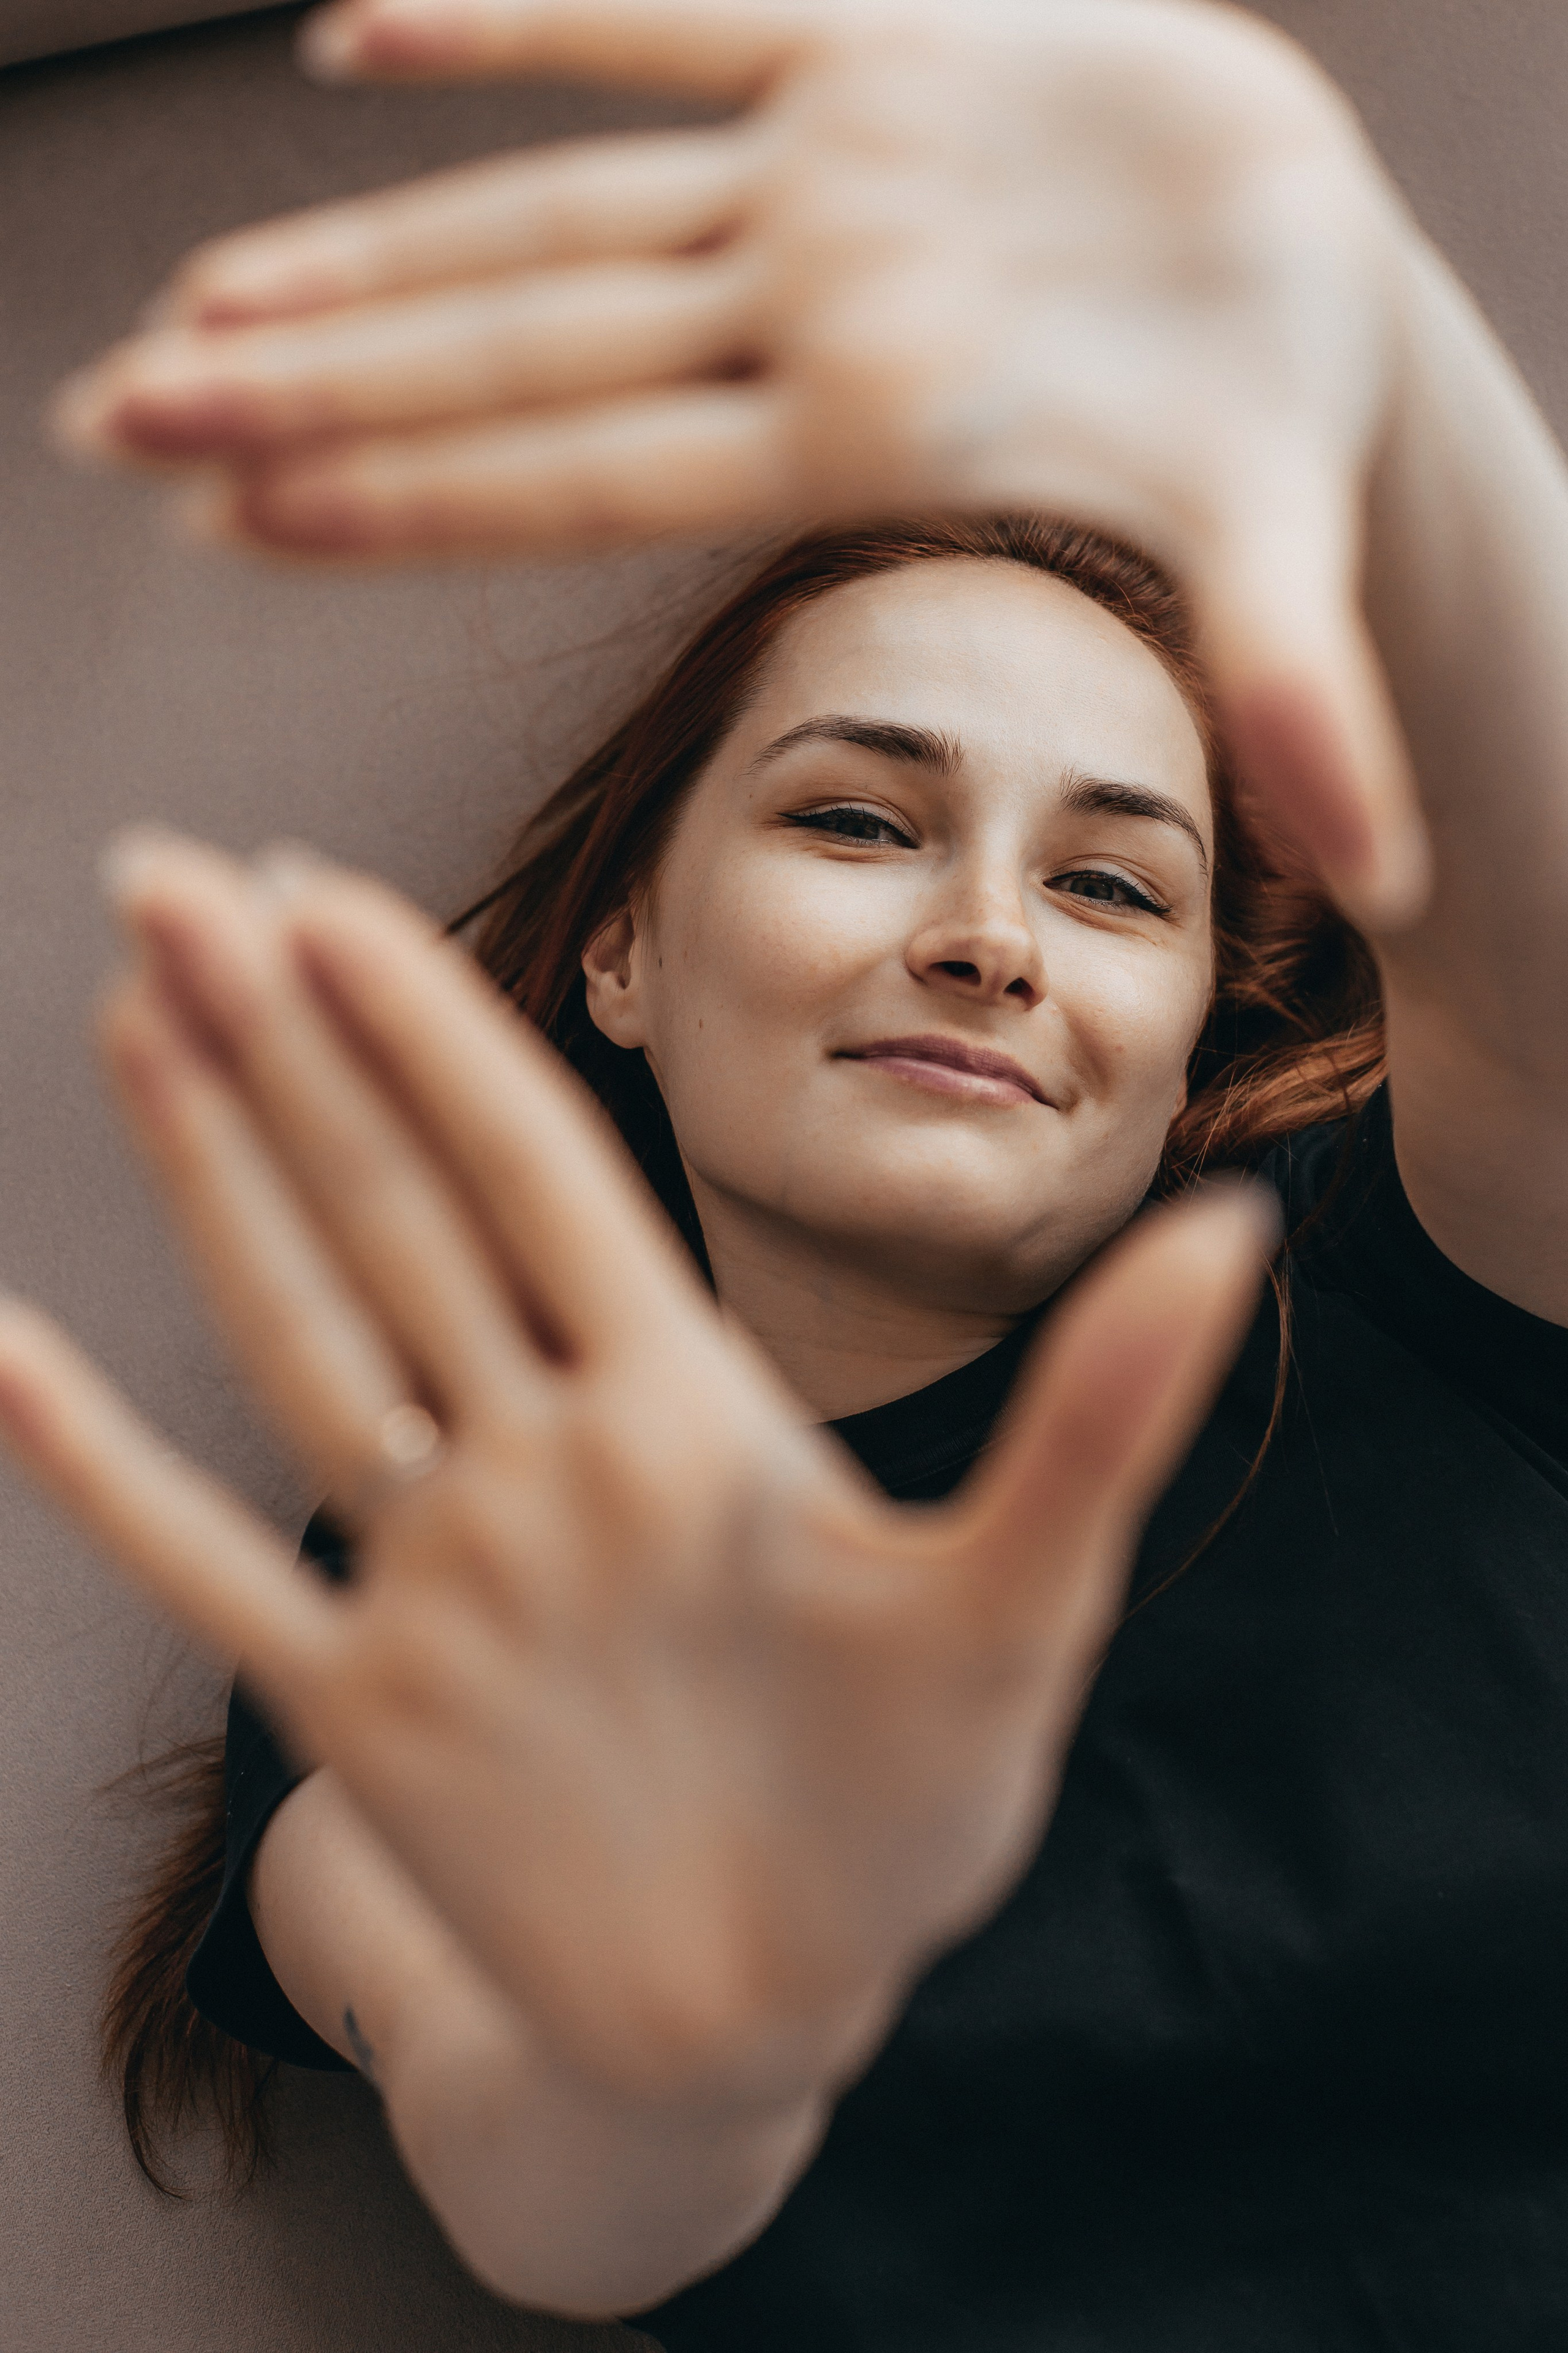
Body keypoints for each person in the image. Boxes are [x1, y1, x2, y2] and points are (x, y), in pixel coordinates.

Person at [5, 0, 1568, 2345]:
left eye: (1113, 885)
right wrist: (672, 2065)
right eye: (858, 817)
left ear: (1189, 1039)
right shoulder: (461, 1566)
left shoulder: (1418, 1269)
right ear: (625, 949)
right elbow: (545, 2164)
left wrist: (1373, 346)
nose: (987, 934)